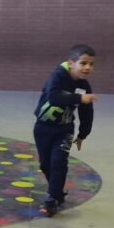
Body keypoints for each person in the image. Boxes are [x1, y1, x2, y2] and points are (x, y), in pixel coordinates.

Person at [33, 44, 97, 217]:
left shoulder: (85, 86)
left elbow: (87, 112)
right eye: (83, 63)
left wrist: (83, 134)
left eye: (91, 64)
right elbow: (53, 97)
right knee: (45, 164)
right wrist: (80, 98)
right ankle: (58, 192)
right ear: (71, 63)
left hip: (65, 129)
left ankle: (52, 198)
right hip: (43, 128)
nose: (87, 68)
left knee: (58, 162)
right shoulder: (58, 76)